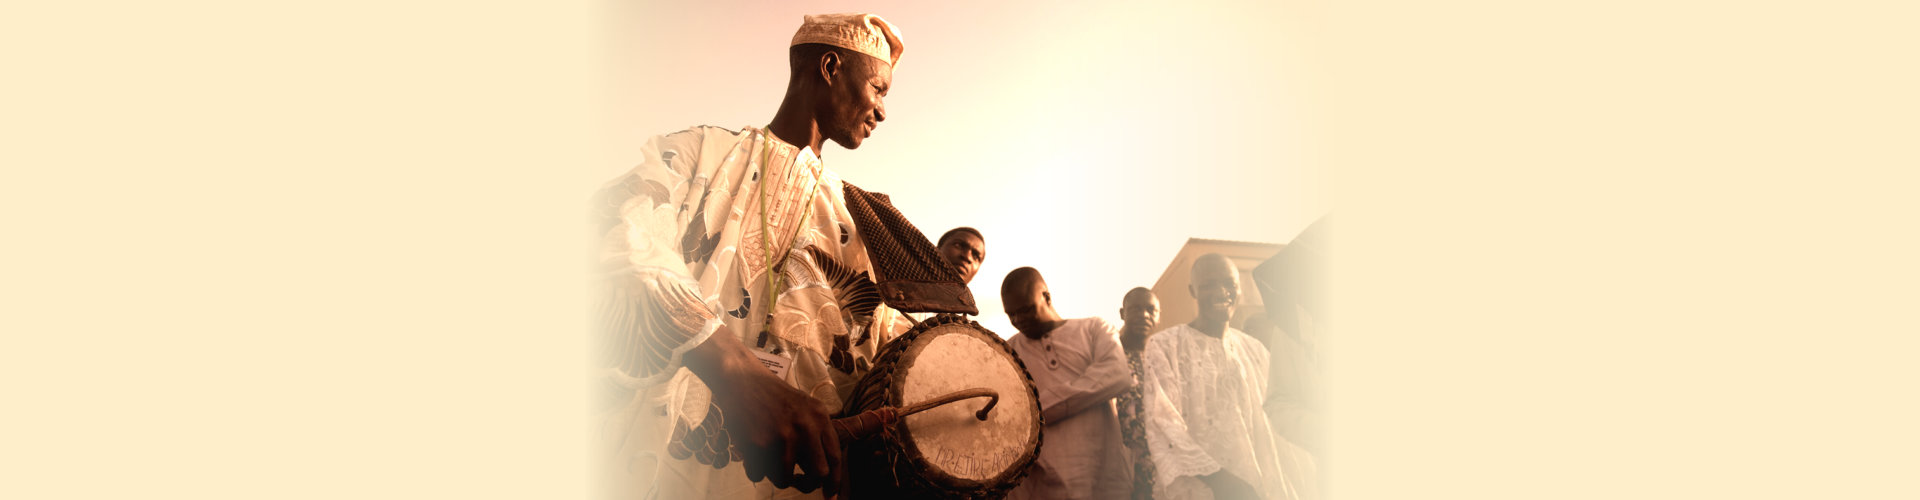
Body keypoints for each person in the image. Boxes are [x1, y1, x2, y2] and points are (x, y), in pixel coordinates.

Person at [593, 13, 912, 500]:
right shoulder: (701, 154)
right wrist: (731, 367)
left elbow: (892, 349)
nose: (884, 112)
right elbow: (610, 228)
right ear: (830, 66)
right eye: (879, 88)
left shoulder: (862, 223)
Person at [1141, 254, 1294, 500]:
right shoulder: (1165, 346)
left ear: (1240, 287)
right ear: (1193, 290)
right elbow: (1164, 422)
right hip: (1202, 489)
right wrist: (1220, 480)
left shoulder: (1255, 350)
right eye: (1209, 285)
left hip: (1259, 486)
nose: (1221, 292)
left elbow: (1279, 418)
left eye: (1229, 283)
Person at [999, 267, 1134, 500]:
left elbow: (1117, 374)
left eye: (1027, 310)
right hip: (1043, 483)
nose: (1019, 320)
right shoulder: (1007, 352)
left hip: (1104, 475)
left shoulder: (1094, 328)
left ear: (1047, 297)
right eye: (1011, 315)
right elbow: (1006, 415)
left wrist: (1033, 411)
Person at [1115, 287, 1162, 500]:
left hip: (1158, 464)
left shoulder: (1163, 357)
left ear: (1159, 316)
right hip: (1118, 464)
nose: (1144, 315)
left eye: (1150, 310)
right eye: (1135, 309)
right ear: (1122, 313)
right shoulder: (1107, 354)